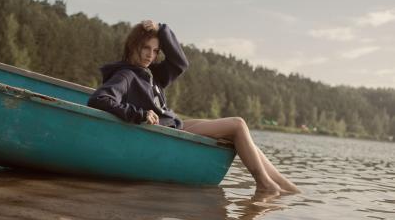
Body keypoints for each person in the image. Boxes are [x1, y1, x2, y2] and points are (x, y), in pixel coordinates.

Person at [88, 20, 299, 195]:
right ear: (133, 46)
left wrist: (162, 29)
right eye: (145, 48)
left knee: (244, 139)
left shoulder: (152, 73)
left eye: (155, 50)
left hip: (174, 124)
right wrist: (139, 114)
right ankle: (263, 183)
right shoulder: (126, 75)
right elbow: (99, 99)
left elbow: (180, 63)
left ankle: (286, 186)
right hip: (167, 132)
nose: (150, 55)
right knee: (238, 124)